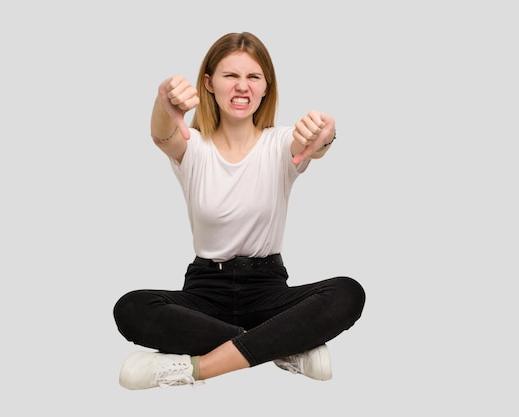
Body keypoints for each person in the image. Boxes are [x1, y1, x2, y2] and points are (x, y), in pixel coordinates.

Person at [113, 31, 366, 390]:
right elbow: (162, 134)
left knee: (348, 292)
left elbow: (311, 142)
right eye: (230, 76)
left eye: (253, 77)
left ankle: (195, 369)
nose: (242, 86)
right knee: (131, 307)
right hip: (205, 293)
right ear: (209, 83)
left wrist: (325, 134)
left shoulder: (281, 143)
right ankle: (282, 346)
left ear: (266, 87)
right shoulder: (192, 145)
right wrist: (163, 103)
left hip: (269, 290)